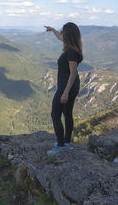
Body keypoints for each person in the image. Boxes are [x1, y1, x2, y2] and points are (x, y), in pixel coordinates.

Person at [44, 22, 83, 156]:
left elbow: (73, 73)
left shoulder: (71, 51)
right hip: (71, 85)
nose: (60, 33)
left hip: (67, 86)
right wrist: (53, 29)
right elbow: (59, 38)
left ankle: (60, 146)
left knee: (55, 115)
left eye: (62, 31)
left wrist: (65, 92)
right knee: (67, 114)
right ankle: (67, 142)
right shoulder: (71, 46)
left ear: (68, 34)